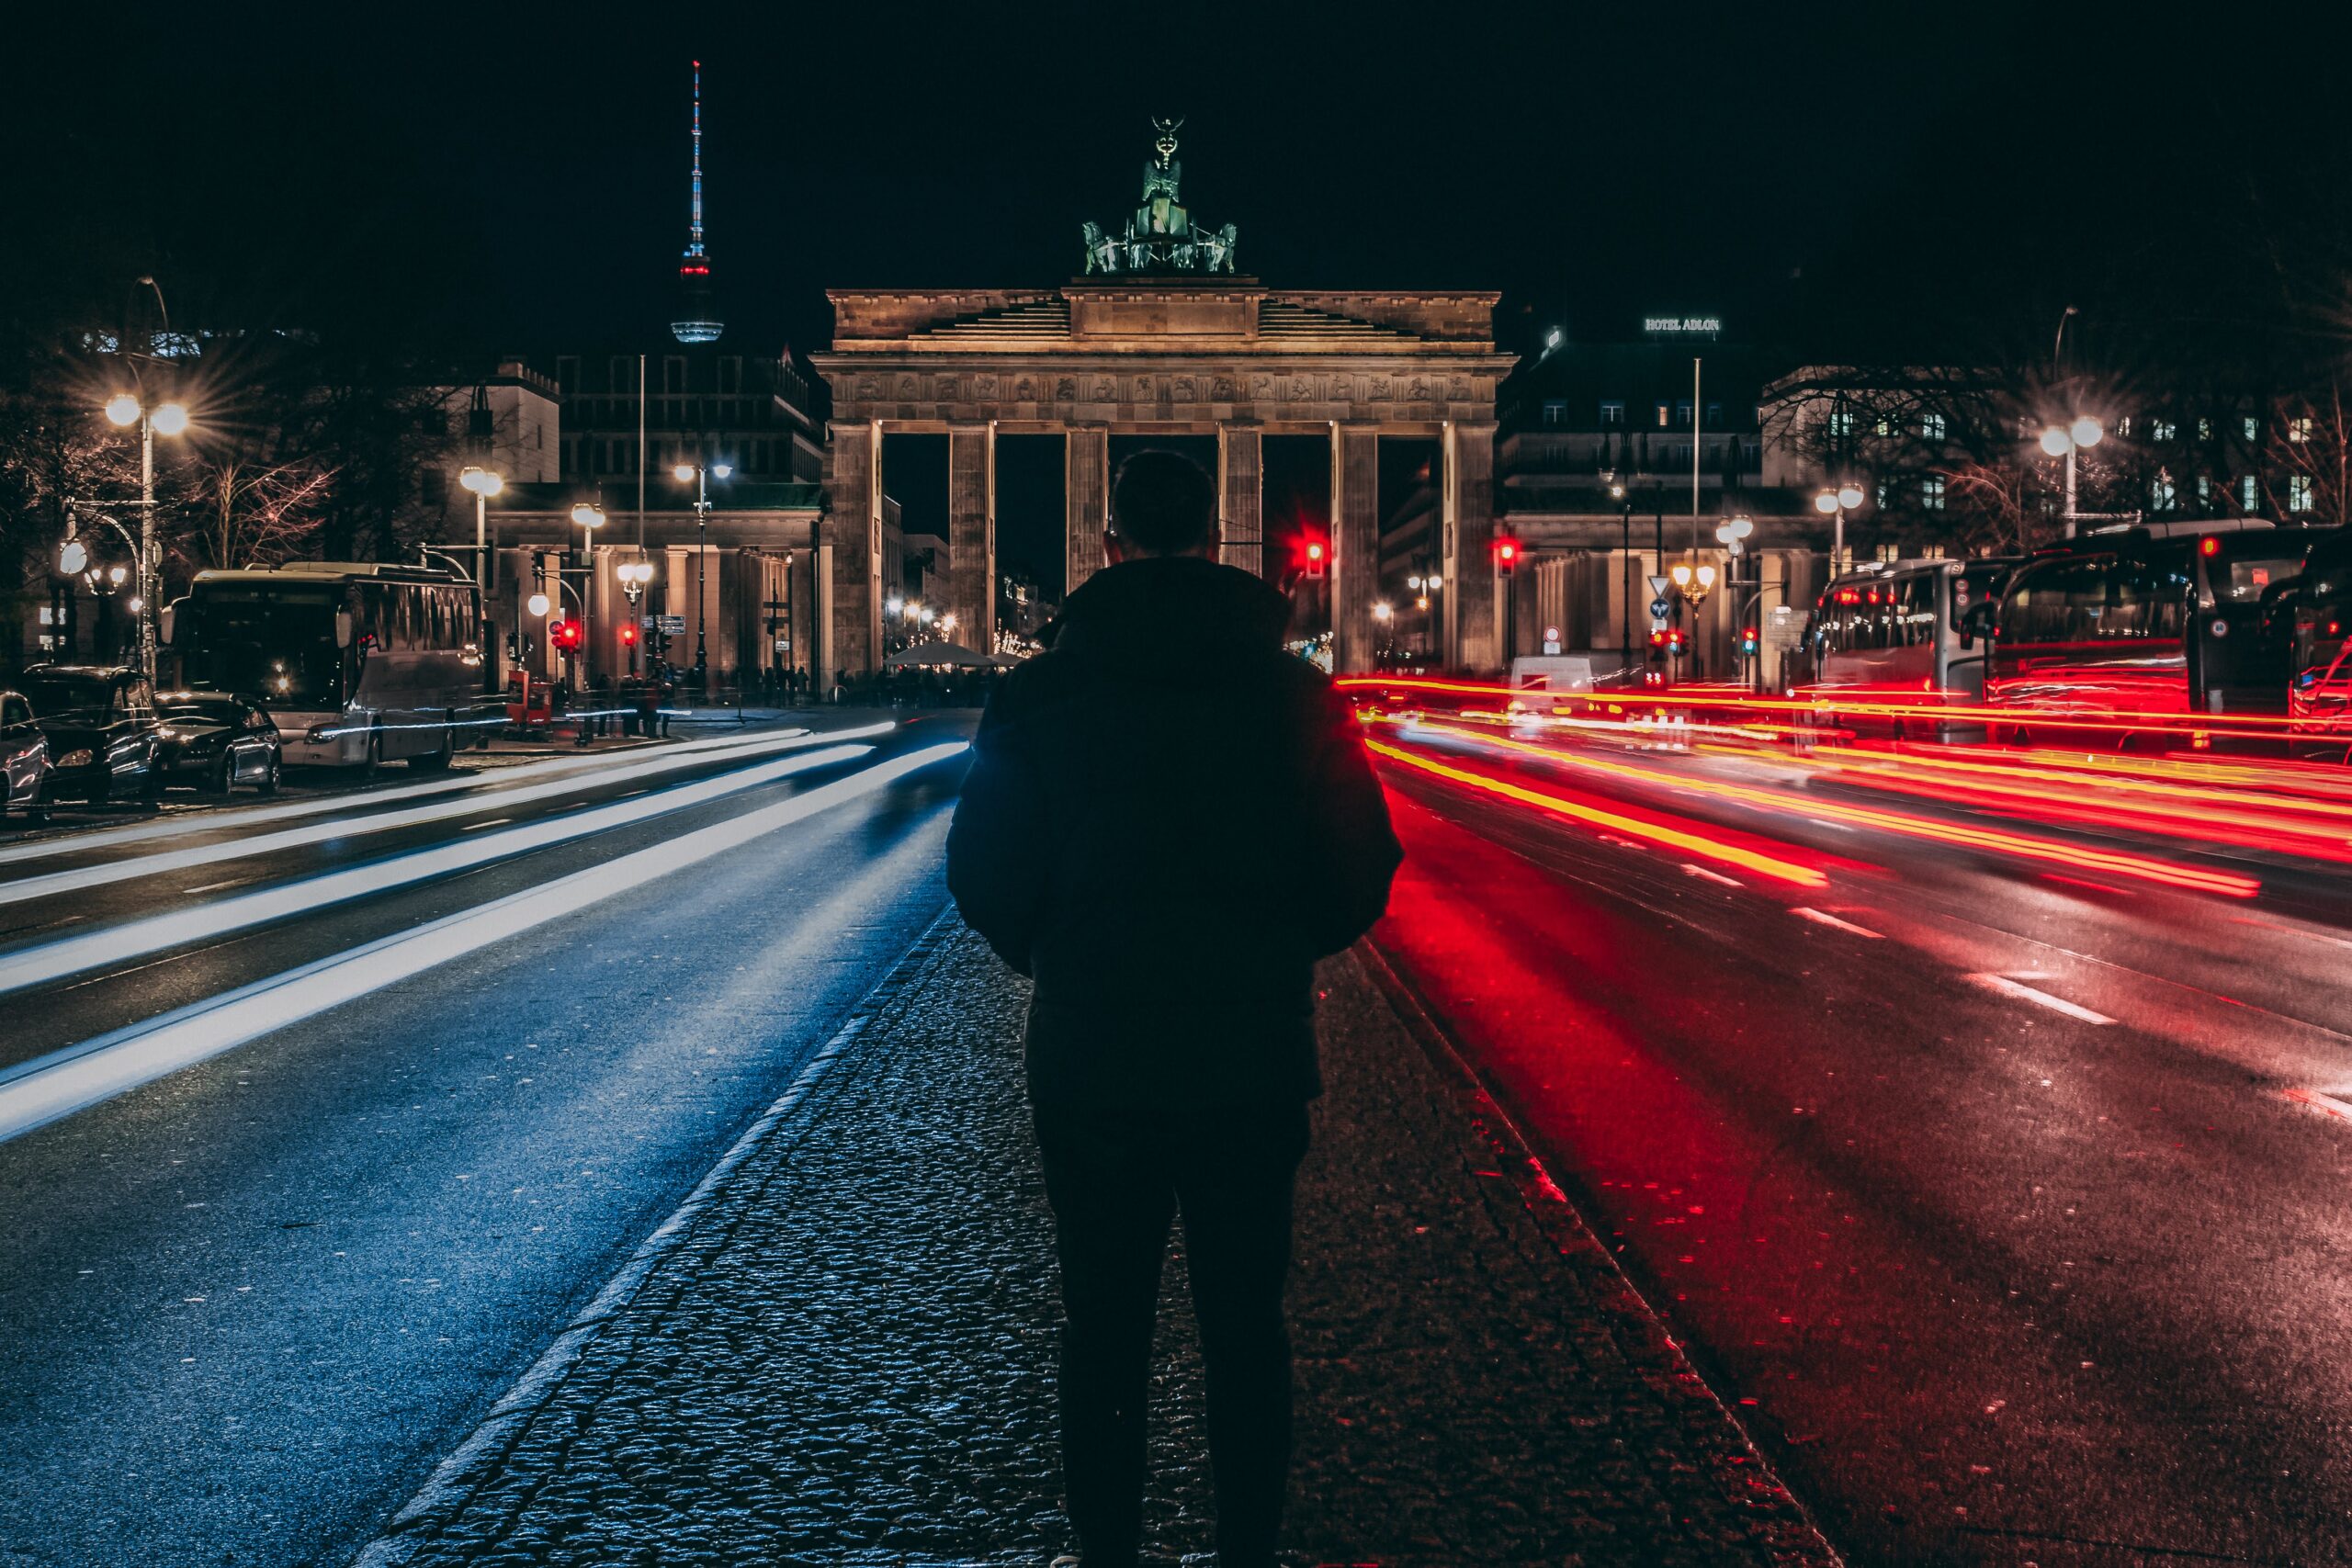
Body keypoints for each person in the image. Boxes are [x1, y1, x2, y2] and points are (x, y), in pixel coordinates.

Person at [947, 449, 1401, 1568]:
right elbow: (1363, 865)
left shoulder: (1040, 692)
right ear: (1212, 539)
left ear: (1107, 545)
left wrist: (1059, 955)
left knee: (1102, 1322)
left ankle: (1108, 1552)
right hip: (1248, 1055)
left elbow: (981, 869)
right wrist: (1274, 950)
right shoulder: (1293, 691)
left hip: (1092, 1055)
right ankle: (1247, 1550)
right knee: (1246, 1324)